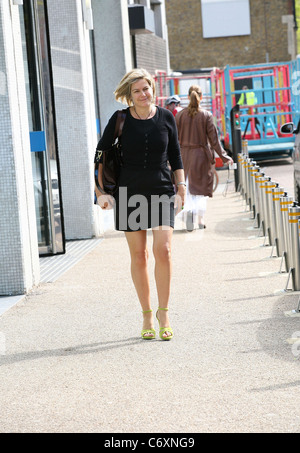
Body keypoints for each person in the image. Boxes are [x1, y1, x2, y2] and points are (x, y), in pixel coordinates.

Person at [94, 68, 185, 340]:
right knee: (139, 256)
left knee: (164, 250)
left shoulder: (166, 117)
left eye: (146, 88)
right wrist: (100, 191)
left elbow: (176, 155)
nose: (143, 94)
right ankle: (147, 315)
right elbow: (101, 154)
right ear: (129, 95)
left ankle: (164, 312)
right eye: (137, 91)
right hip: (130, 193)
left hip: (161, 189)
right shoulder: (120, 119)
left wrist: (181, 187)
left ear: (152, 89)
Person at [175, 85, 233, 231]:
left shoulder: (179, 115)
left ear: (188, 97)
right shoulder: (206, 115)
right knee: (199, 189)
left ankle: (188, 212)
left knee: (186, 188)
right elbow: (214, 141)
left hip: (183, 156)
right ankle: (200, 220)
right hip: (201, 156)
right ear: (201, 97)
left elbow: (172, 139)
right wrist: (225, 157)